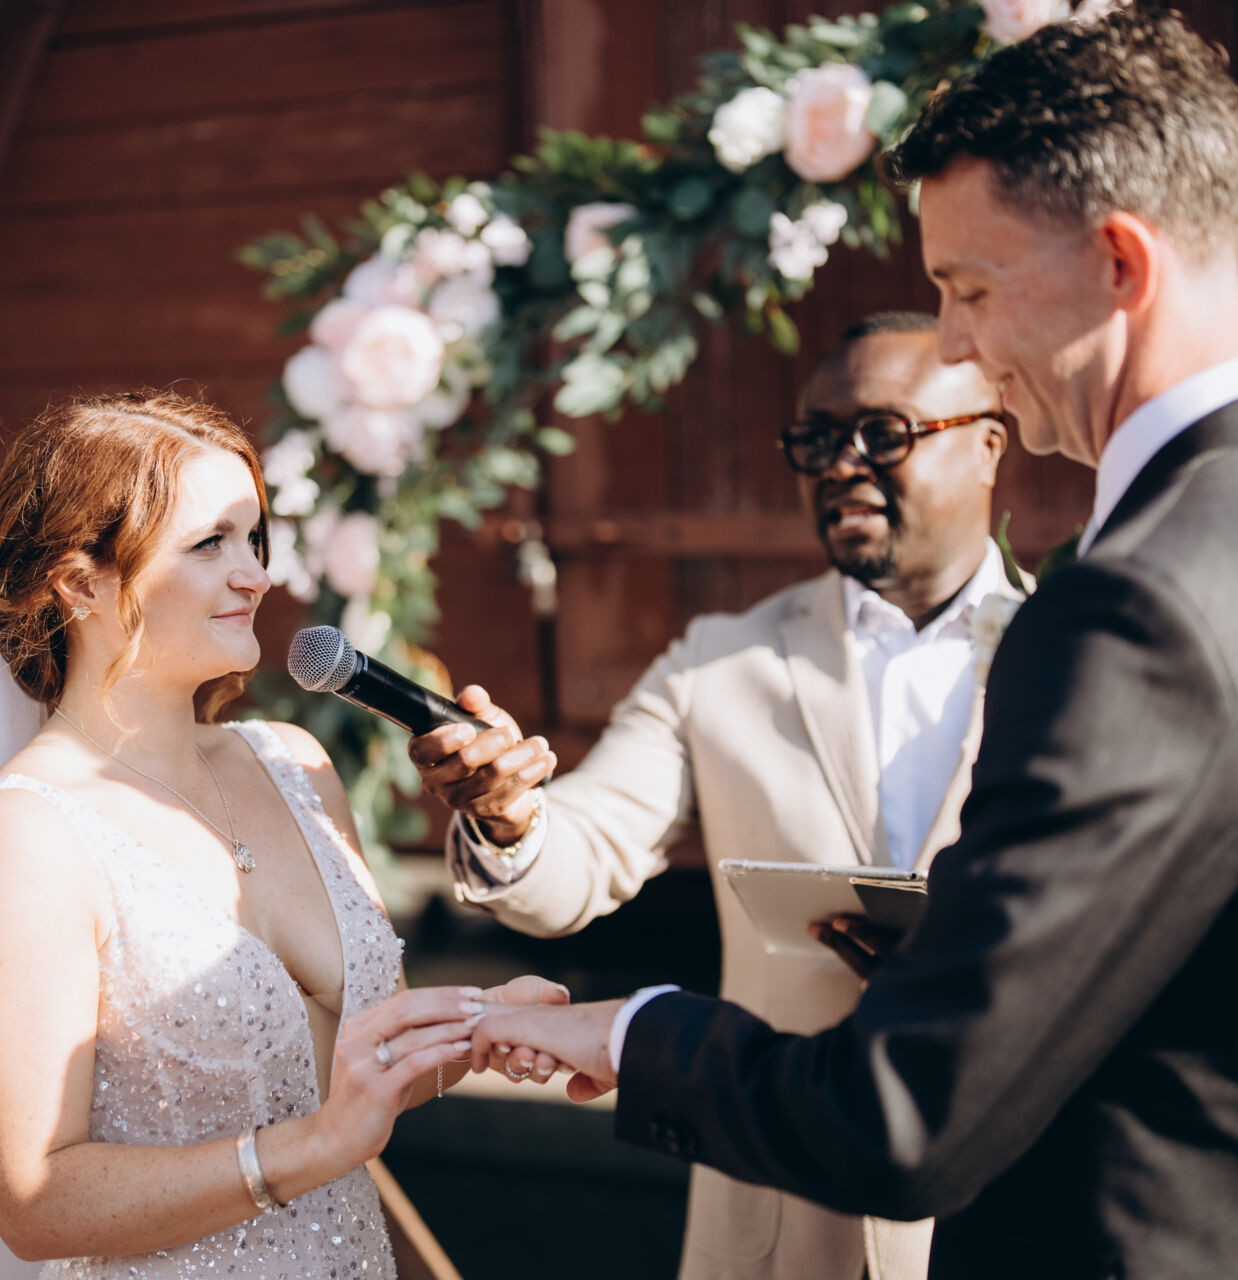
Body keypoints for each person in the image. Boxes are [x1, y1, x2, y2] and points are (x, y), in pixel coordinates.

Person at [468, 10, 1238, 1278]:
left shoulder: (1134, 610)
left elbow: (906, 1116)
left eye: (972, 289)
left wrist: (637, 1033)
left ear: (1121, 261)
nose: (957, 344)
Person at [0, 390, 564, 1278]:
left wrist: (479, 1028)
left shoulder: (295, 764)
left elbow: (366, 1073)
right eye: (210, 544)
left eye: (254, 538)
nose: (255, 575)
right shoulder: (21, 838)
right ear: (81, 584)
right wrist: (313, 1148)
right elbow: (35, 1201)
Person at [408, 313, 1019, 1280]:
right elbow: (588, 848)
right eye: (817, 440)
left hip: (1001, 1209)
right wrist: (509, 816)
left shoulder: (1076, 648)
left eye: (884, 433)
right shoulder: (720, 660)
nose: (842, 465)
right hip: (781, 1222)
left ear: (988, 444)